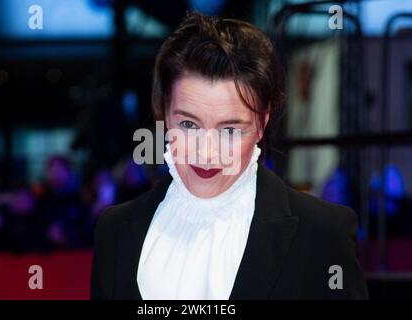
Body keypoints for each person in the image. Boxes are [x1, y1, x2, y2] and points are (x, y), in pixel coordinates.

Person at [91, 12, 368, 300]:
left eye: (230, 130)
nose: (206, 152)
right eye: (189, 124)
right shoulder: (113, 231)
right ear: (164, 115)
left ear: (261, 124)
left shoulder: (322, 234)